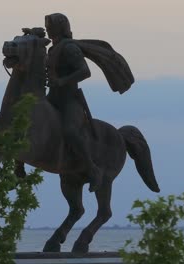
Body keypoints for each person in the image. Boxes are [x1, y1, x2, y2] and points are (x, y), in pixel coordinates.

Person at [45, 13, 102, 192]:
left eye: (50, 26)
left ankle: (92, 169)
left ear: (60, 27)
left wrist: (62, 81)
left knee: (70, 131)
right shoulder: (51, 49)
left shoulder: (69, 48)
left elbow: (85, 71)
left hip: (70, 101)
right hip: (52, 98)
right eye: (46, 27)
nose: (47, 29)